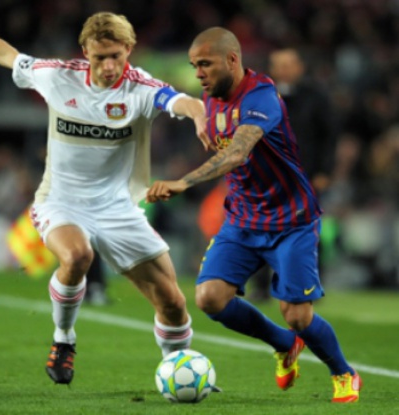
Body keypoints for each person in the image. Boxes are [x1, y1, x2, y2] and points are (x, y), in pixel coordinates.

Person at [0, 9, 214, 386]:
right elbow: (6, 54)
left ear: (129, 49)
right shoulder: (57, 76)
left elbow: (182, 101)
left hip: (117, 208)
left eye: (116, 56)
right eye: (100, 57)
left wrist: (199, 114)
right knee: (78, 255)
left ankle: (178, 370)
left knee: (172, 302)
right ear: (85, 51)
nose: (109, 66)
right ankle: (64, 339)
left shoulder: (140, 88)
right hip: (61, 201)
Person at [147, 27, 362, 403]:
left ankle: (343, 372)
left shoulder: (261, 95)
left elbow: (237, 152)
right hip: (243, 220)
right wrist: (196, 120)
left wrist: (184, 181)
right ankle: (284, 344)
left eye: (205, 64)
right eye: (194, 65)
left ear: (232, 59)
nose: (198, 73)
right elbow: (209, 125)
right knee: (209, 298)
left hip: (291, 220)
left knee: (297, 316)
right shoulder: (212, 96)